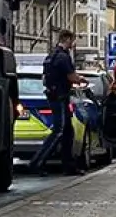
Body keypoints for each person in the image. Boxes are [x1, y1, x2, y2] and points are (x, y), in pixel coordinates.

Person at [29, 30, 86, 175]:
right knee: (59, 130)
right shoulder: (62, 57)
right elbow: (71, 77)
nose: (73, 44)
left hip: (54, 94)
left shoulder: (51, 55)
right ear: (67, 39)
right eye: (72, 40)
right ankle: (37, 163)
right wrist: (81, 80)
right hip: (59, 96)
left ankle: (68, 166)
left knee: (68, 131)